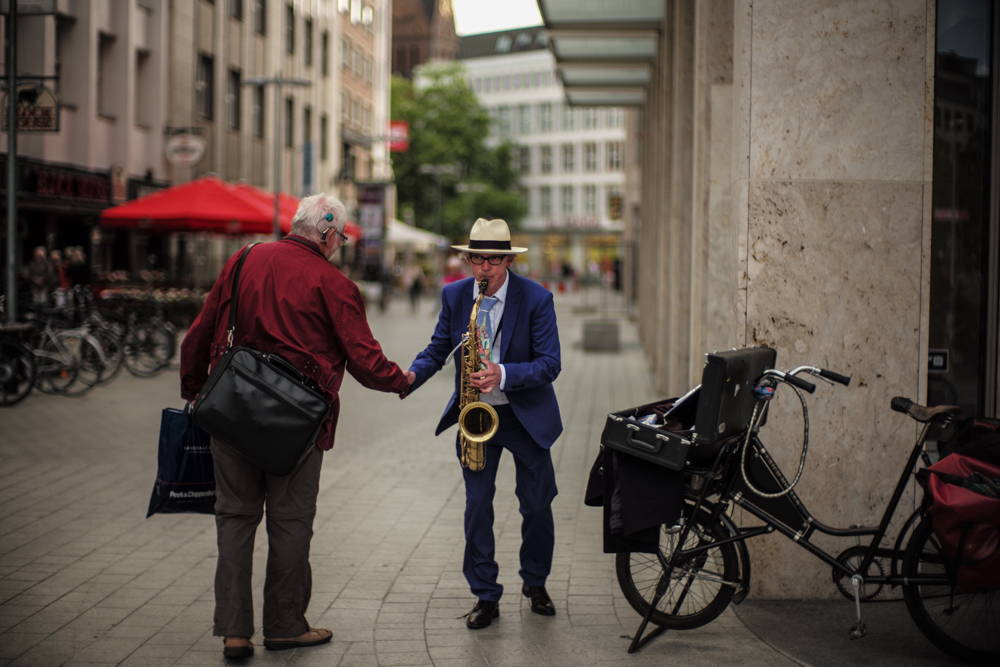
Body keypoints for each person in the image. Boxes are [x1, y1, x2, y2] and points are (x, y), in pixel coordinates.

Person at [180, 193, 416, 659]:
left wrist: (194, 391)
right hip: (297, 425)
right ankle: (285, 625)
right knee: (290, 523)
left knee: (234, 518)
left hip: (230, 413)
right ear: (328, 235)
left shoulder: (244, 259)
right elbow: (364, 358)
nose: (339, 246)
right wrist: (401, 381)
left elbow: (201, 330)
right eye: (340, 239)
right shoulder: (335, 284)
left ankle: (234, 631)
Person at [408, 218, 562, 629]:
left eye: (494, 259)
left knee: (537, 505)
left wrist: (504, 373)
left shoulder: (537, 298)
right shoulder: (456, 296)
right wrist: (409, 377)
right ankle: (485, 594)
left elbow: (551, 364)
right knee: (477, 507)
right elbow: (439, 347)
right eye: (477, 258)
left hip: (524, 415)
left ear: (508, 259)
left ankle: (535, 580)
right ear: (469, 259)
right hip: (475, 414)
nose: (485, 268)